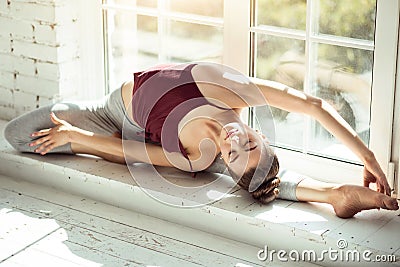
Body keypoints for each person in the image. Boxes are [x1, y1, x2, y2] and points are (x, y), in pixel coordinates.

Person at [4, 62, 398, 218]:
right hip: (110, 112)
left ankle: (335, 195)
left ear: (224, 163)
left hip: (112, 134)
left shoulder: (196, 159)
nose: (234, 141)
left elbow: (129, 151)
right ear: (260, 132)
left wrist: (76, 136)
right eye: (250, 143)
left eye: (233, 154)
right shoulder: (227, 91)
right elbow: (312, 105)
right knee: (18, 133)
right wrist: (368, 157)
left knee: (18, 135)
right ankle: (329, 192)